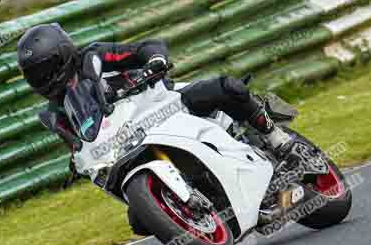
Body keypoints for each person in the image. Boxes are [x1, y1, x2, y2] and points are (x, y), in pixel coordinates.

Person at [16, 23, 298, 156]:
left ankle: (274, 136)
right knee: (139, 219)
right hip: (130, 142)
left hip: (167, 104)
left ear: (64, 54)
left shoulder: (94, 57)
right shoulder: (58, 110)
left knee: (226, 88)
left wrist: (155, 61)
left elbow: (144, 48)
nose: (44, 79)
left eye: (46, 69)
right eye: (35, 75)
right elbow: (78, 145)